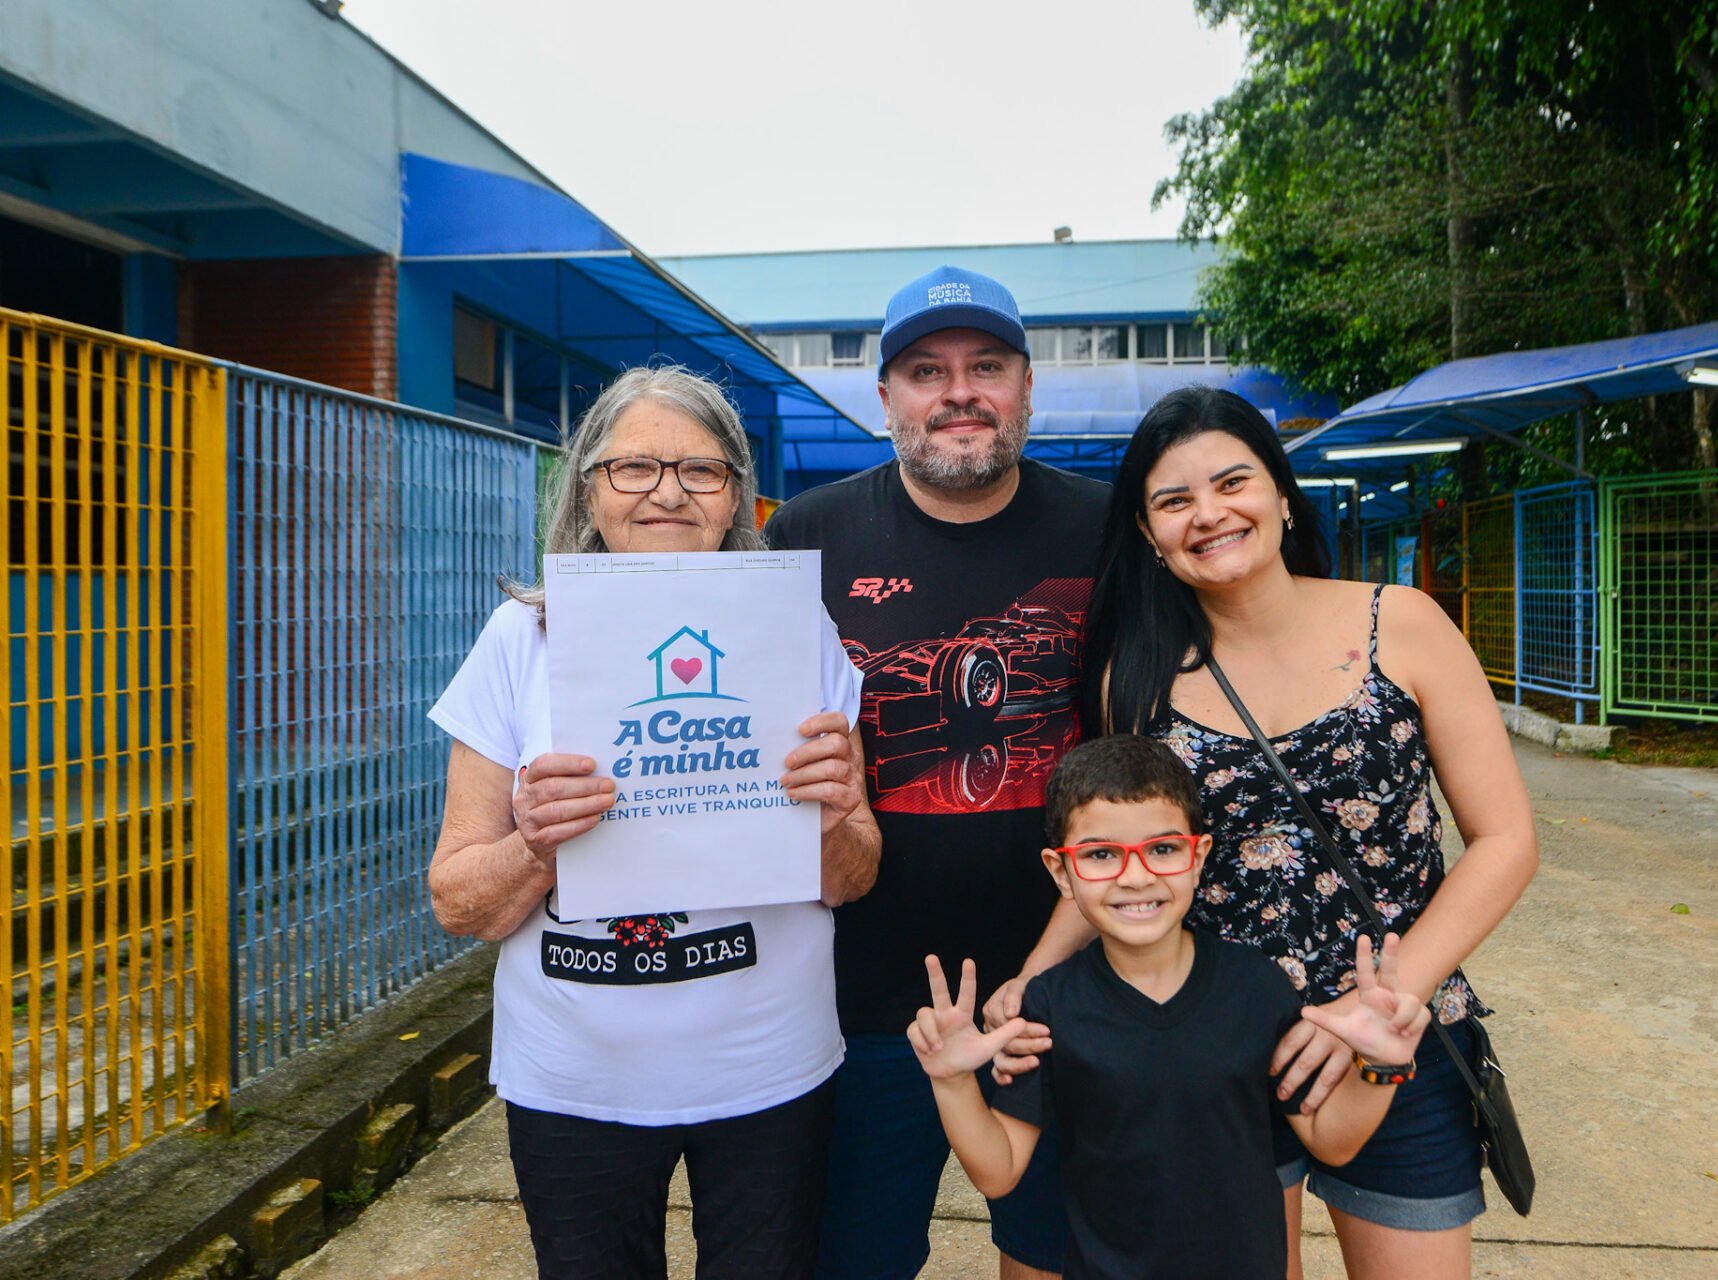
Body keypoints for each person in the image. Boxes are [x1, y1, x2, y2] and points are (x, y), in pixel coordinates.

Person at [1063, 386, 1539, 1280]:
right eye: (1174, 500)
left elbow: (1506, 839)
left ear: (1282, 494)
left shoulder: (1402, 623)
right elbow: (1116, 863)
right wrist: (1027, 983)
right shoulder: (1137, 677)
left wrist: (1377, 1005)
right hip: (1213, 1052)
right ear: (1149, 534)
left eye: (1231, 482)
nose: (1209, 514)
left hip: (1400, 1037)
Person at [425, 365, 881, 1280]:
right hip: (574, 1081)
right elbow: (456, 899)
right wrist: (535, 846)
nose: (667, 492)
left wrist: (834, 818)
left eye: (701, 470)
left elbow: (854, 875)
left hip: (767, 1072)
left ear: (737, 498)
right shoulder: (519, 640)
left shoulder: (796, 631)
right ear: (588, 491)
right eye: (633, 467)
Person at [762, 264, 1109, 1280]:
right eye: (927, 371)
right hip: (861, 997)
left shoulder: (1106, 529)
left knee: (1056, 1256)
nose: (959, 392)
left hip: (1068, 987)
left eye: (986, 366)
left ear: (1027, 385)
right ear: (887, 398)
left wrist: (1053, 971)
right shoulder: (804, 535)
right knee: (852, 1259)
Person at [908, 734, 1431, 1280]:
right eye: (1101, 855)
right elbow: (999, 1171)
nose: (1136, 877)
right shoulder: (1049, 1007)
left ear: (1197, 856)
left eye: (1162, 849)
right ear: (1061, 871)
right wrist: (952, 1081)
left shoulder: (1255, 987)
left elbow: (1332, 1140)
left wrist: (1382, 1065)